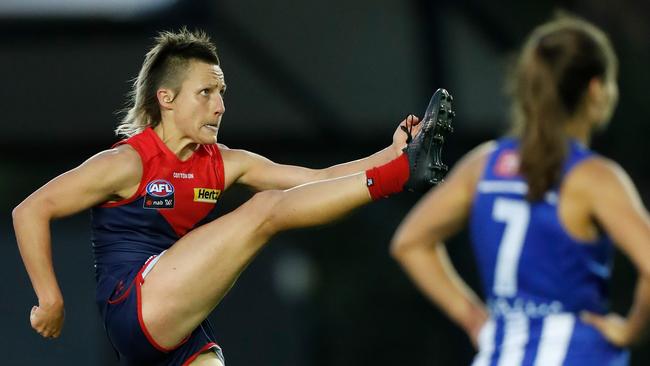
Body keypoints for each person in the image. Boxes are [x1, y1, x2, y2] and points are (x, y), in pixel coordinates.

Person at [12, 29, 453, 365]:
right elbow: (30, 209)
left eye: (221, 92)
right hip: (135, 308)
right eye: (206, 93)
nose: (220, 106)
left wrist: (391, 149)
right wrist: (50, 299)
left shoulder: (223, 162)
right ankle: (400, 176)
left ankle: (399, 168)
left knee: (273, 205)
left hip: (179, 324)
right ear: (165, 98)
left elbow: (315, 179)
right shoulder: (127, 162)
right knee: (263, 211)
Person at [391, 16, 650, 366]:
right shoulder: (592, 177)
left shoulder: (484, 165)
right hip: (579, 353)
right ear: (595, 89)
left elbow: (410, 242)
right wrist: (630, 330)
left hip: (499, 353)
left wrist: (474, 320)